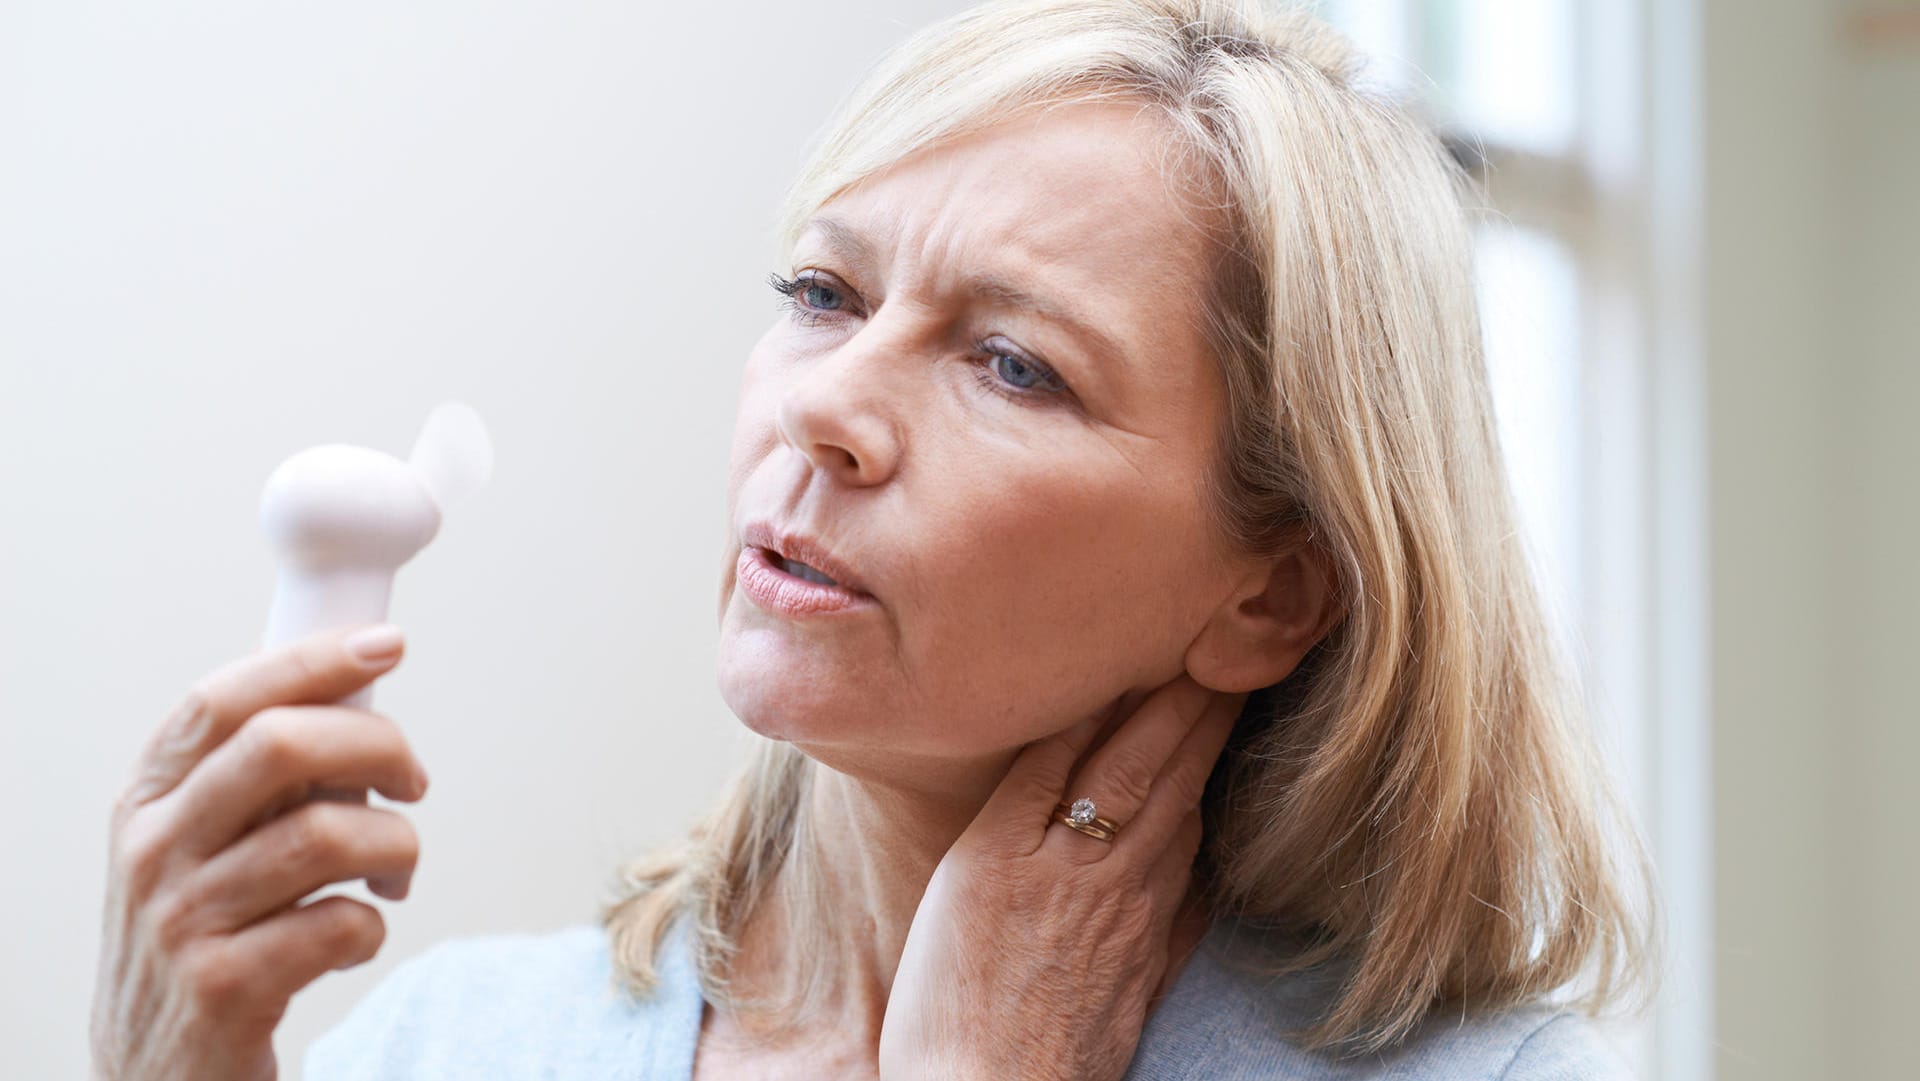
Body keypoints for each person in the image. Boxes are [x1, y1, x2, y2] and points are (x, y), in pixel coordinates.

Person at [89, 1, 1663, 1077]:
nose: (826, 403)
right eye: (823, 295)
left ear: (1273, 592)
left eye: (1014, 364)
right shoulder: (447, 1044)